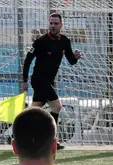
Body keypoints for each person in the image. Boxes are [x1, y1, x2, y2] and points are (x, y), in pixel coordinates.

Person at [21, 13, 83, 150]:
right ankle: (52, 141)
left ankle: (18, 136)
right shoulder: (41, 41)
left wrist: (76, 57)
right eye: (51, 23)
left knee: (33, 112)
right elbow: (28, 60)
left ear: (61, 25)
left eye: (56, 23)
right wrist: (25, 80)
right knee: (57, 107)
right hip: (39, 80)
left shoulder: (65, 41)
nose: (53, 26)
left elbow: (71, 61)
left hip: (48, 82)